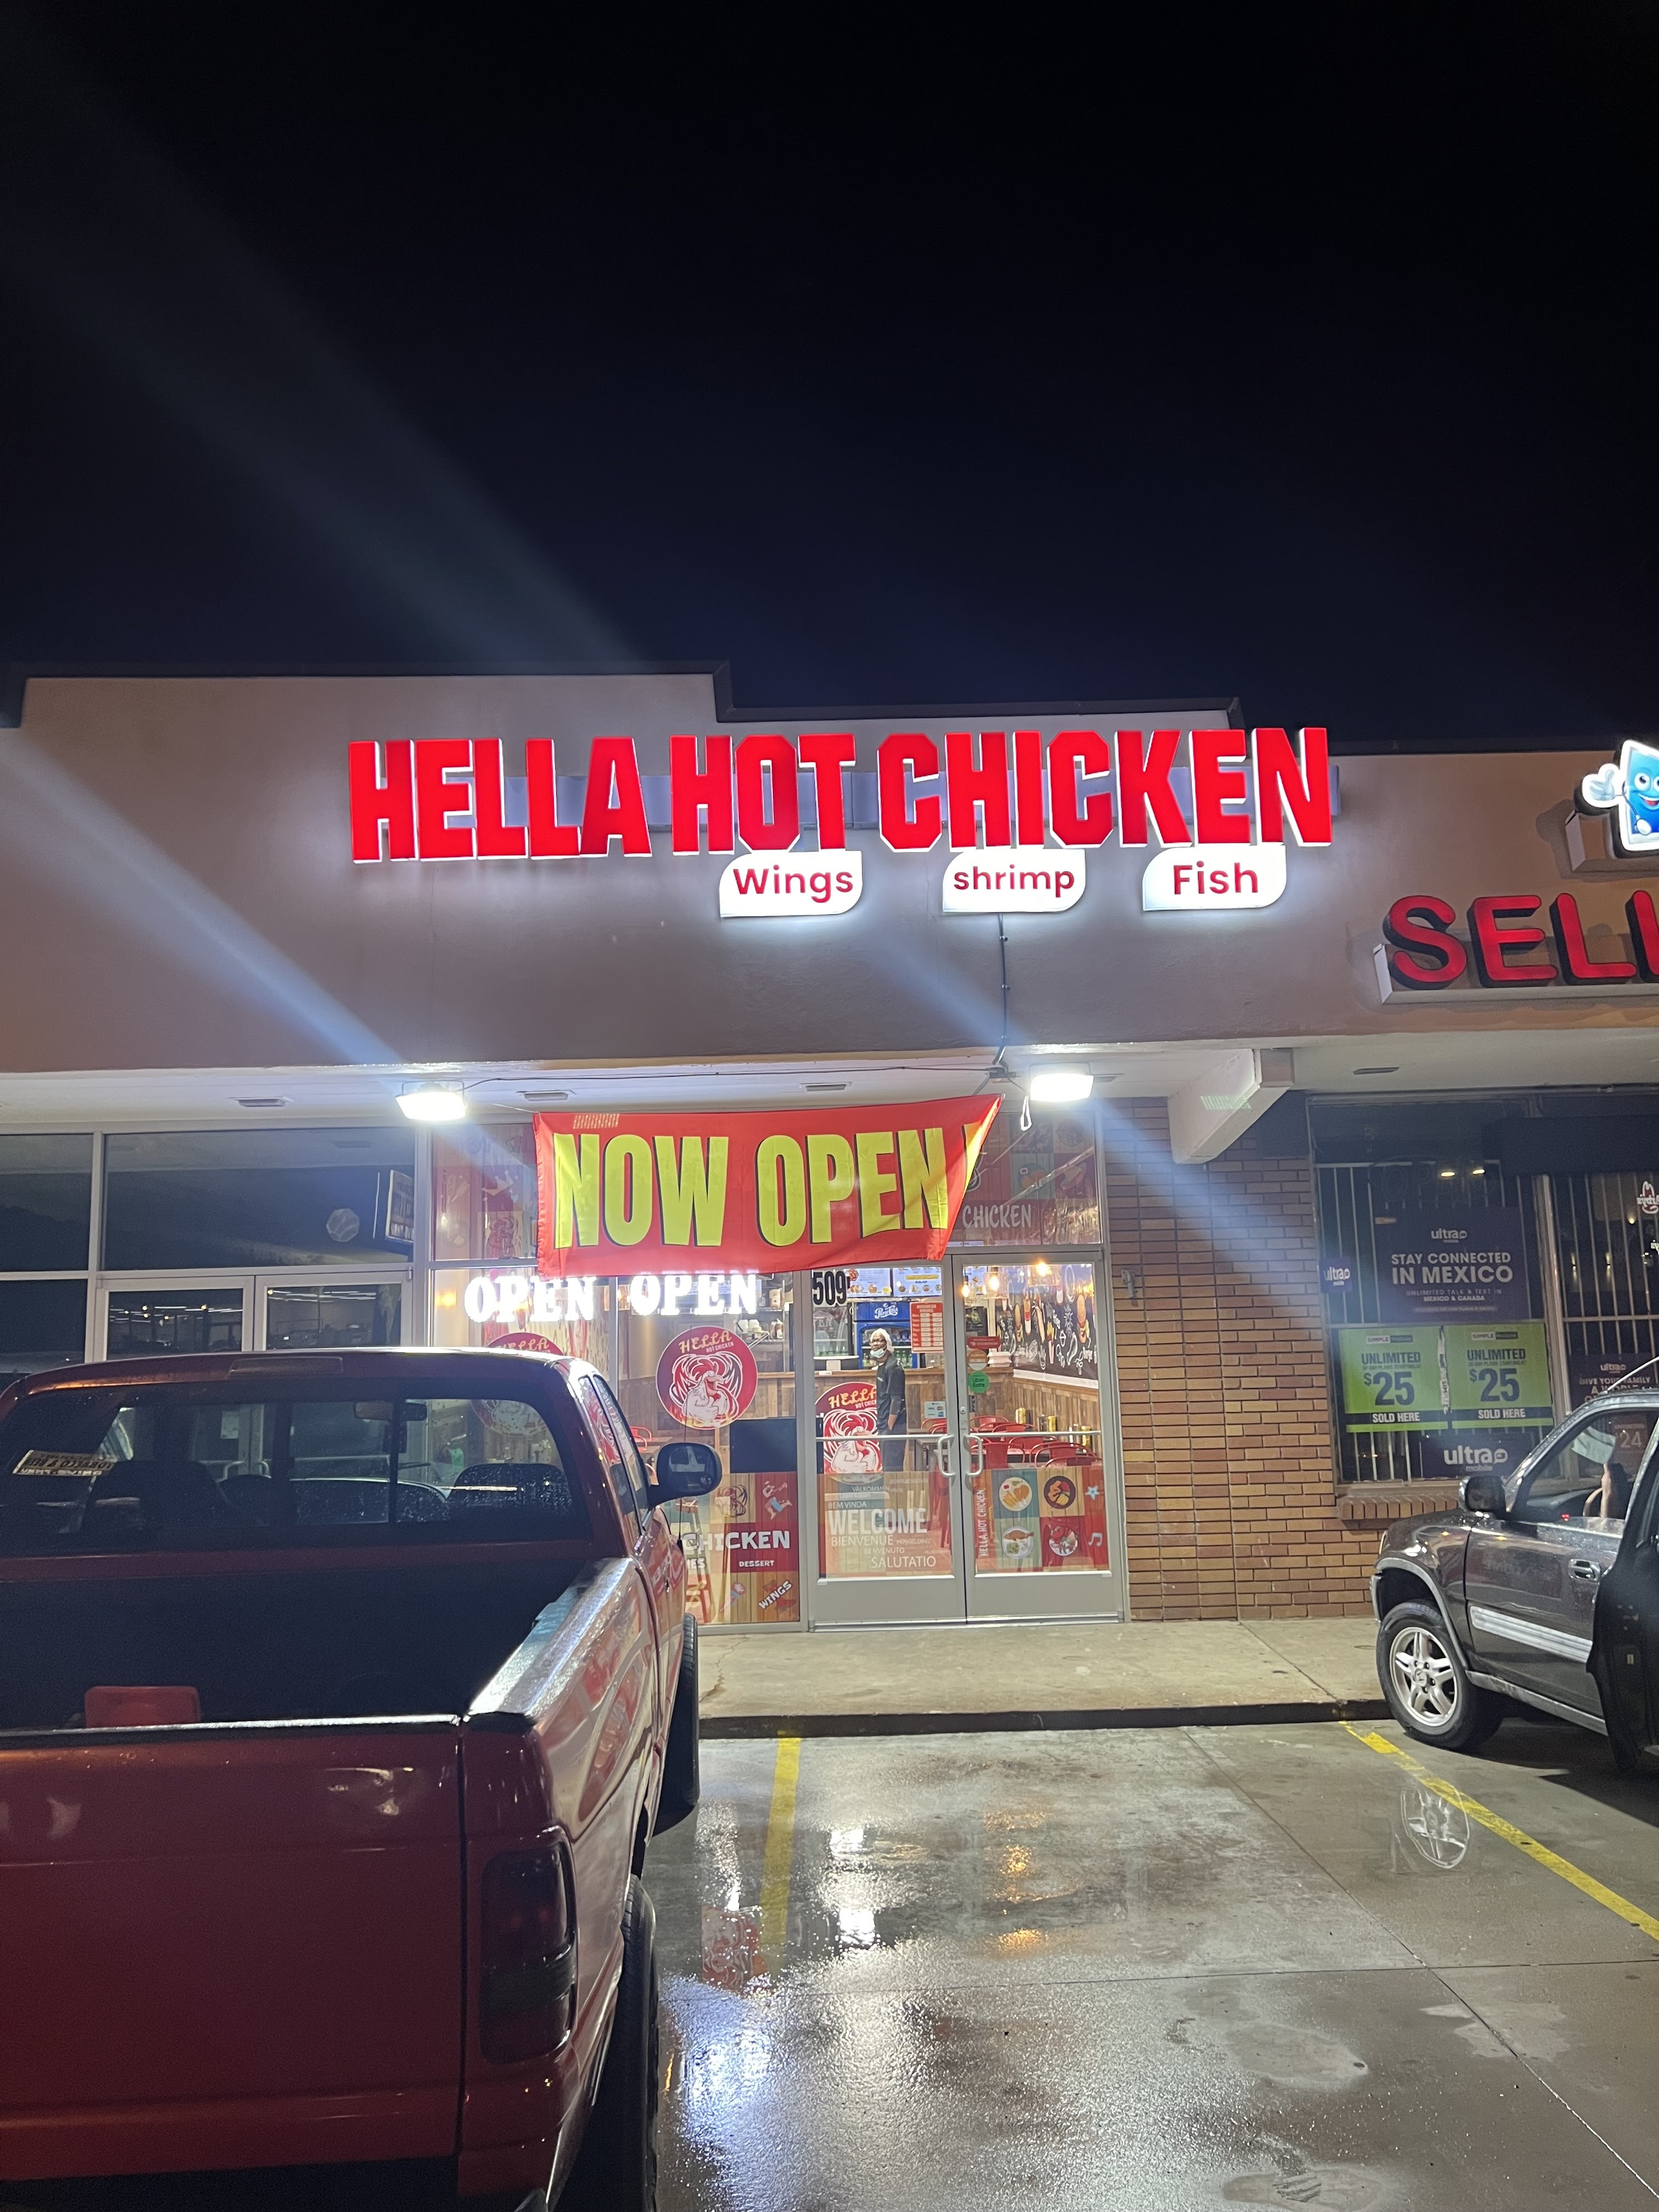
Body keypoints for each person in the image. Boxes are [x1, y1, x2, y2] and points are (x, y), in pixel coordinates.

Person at [868, 1328, 907, 1472]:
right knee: (887, 1469)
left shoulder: (893, 1368)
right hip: (884, 1424)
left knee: (893, 1470)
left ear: (888, 1343)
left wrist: (889, 1427)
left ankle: (897, 1491)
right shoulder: (883, 1366)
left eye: (880, 1340)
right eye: (873, 1341)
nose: (875, 1344)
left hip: (893, 1427)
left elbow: (896, 1399)